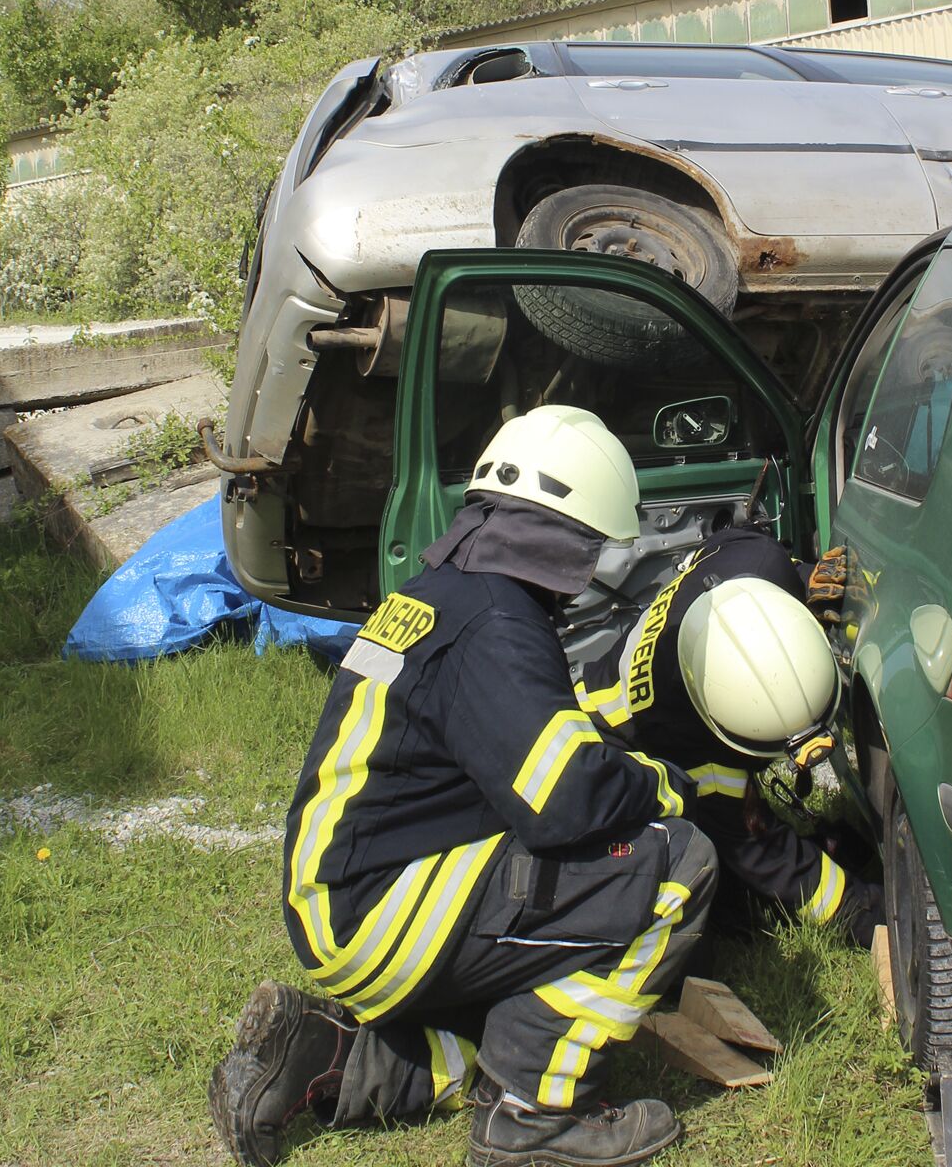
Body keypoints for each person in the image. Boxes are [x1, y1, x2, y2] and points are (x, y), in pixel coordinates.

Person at [209, 406, 717, 1167]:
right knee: (677, 861)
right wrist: (663, 784)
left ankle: (315, 1053)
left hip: (345, 903)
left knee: (509, 1020)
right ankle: (534, 1117)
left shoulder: (444, 592)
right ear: (571, 532)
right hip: (386, 907)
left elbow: (524, 746)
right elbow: (566, 798)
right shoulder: (496, 623)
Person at [575, 528, 879, 940]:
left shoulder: (762, 561)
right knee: (722, 894)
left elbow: (724, 544)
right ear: (722, 733)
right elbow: (763, 853)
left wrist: (804, 578)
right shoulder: (683, 741)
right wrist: (864, 912)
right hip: (606, 751)